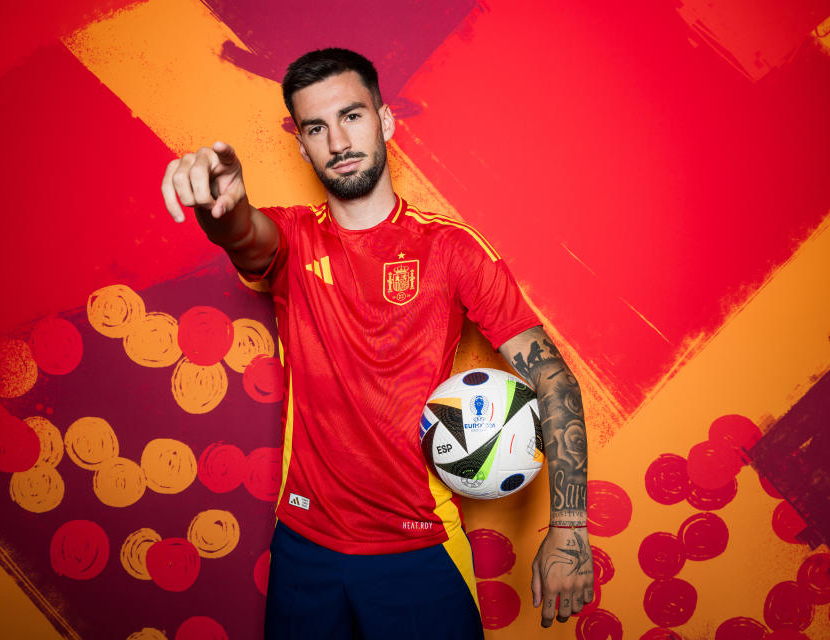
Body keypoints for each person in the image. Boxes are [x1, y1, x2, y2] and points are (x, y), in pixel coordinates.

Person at [162, 48, 592, 638]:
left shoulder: (451, 250)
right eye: (316, 127)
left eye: (352, 116)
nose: (337, 140)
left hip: (418, 545)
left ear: (385, 121)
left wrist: (568, 529)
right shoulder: (292, 239)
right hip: (305, 547)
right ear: (302, 145)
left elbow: (554, 379)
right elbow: (242, 233)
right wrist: (221, 209)